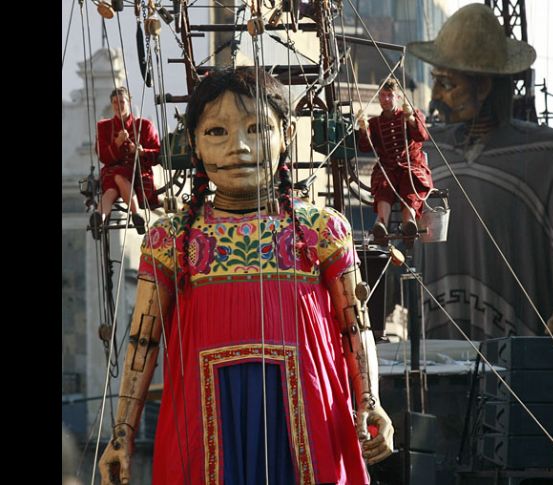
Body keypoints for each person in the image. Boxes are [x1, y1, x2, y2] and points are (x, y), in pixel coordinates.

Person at [98, 67, 393, 485]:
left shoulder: (322, 231)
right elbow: (142, 339)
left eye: (257, 129)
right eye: (217, 132)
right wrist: (122, 433)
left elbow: (355, 324)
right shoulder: (171, 239)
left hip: (310, 420)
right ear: (194, 146)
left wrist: (369, 399)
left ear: (286, 134)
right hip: (201, 425)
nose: (238, 147)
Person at [407, 4, 553, 354]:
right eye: (436, 81)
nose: (436, 96)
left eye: (448, 84)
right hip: (432, 358)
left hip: (521, 356)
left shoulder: (551, 156)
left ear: (483, 87)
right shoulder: (424, 154)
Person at [356, 78, 433, 244]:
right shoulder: (374, 123)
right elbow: (365, 147)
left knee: (409, 182)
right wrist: (363, 129)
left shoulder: (411, 114)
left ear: (397, 97)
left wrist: (411, 119)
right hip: (387, 169)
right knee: (384, 185)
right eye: (382, 95)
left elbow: (422, 136)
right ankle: (381, 223)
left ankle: (409, 223)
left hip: (412, 166)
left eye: (390, 95)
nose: (385, 99)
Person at [92, 86, 161, 236]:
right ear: (112, 104)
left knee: (115, 180)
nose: (118, 106)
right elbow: (102, 156)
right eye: (115, 102)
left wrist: (142, 152)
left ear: (129, 102)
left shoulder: (145, 125)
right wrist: (117, 143)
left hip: (138, 172)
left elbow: (159, 154)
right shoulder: (103, 127)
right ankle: (131, 214)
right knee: (113, 182)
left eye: (122, 102)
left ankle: (101, 214)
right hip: (112, 172)